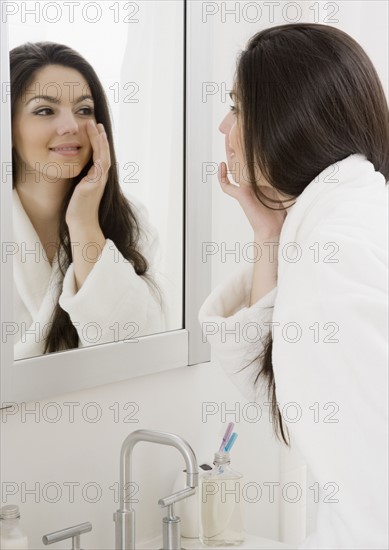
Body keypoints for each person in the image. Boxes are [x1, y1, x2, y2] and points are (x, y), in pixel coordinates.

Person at [199, 23, 388, 549]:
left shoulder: (338, 258)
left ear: (287, 121)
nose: (223, 125)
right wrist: (269, 233)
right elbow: (282, 385)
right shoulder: (349, 223)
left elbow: (375, 491)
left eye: (237, 107)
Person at [10, 41, 166, 360]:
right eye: (44, 110)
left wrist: (83, 223)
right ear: (7, 126)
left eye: (84, 110)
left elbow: (135, 349)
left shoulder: (131, 218)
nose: (71, 127)